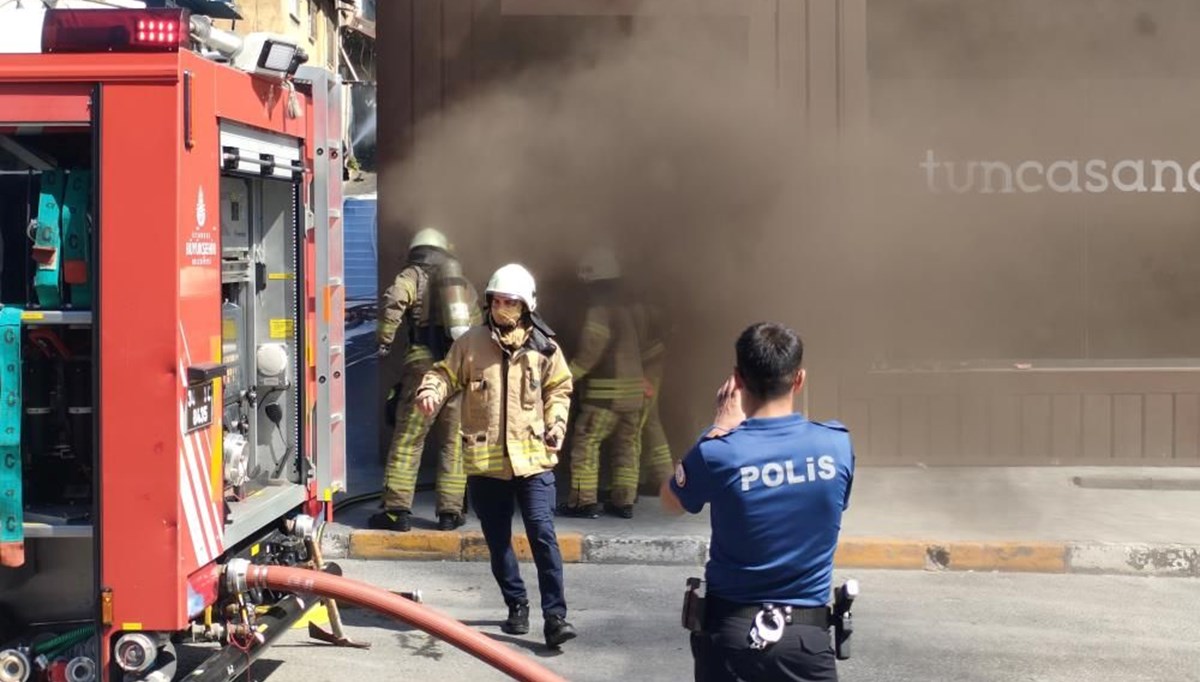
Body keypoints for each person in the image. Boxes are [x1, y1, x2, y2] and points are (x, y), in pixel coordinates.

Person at [662, 322, 855, 682]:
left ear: (736, 379)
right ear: (799, 379)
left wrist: (719, 428)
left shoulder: (719, 452)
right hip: (806, 642)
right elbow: (834, 506)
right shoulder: (837, 446)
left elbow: (672, 498)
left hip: (731, 635)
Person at [415, 263, 579, 649]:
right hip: (487, 464)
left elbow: (560, 389)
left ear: (526, 307)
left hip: (534, 460)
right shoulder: (471, 344)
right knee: (498, 539)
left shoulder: (544, 346)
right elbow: (443, 374)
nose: (503, 308)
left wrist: (556, 423)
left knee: (543, 534)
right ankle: (516, 604)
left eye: (511, 302)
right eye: (497, 301)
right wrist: (430, 392)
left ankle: (556, 617)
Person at [370, 227, 479, 533]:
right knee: (454, 445)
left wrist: (384, 338)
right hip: (457, 372)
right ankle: (450, 513)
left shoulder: (411, 276)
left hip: (422, 371)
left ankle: (396, 512)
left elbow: (394, 301)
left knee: (409, 441)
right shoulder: (463, 286)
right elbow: (477, 327)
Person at [560, 247, 645, 519]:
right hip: (633, 396)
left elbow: (590, 352)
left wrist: (564, 377)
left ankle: (582, 501)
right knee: (627, 446)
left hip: (604, 397)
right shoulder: (626, 311)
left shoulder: (599, 312)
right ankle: (624, 501)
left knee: (586, 442)